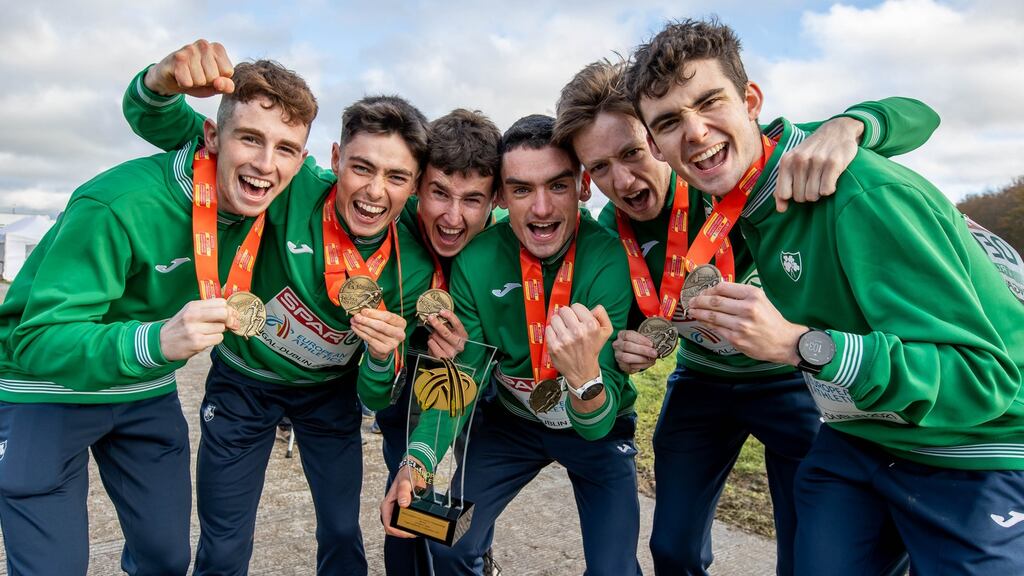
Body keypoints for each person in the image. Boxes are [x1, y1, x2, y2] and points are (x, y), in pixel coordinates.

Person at [626, 18, 1024, 575]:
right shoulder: (746, 193)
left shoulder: (858, 192)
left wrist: (800, 345)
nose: (694, 132)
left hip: (976, 446)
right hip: (859, 438)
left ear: (750, 101)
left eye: (709, 102)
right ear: (657, 144)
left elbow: (984, 378)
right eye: (669, 122)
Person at [553, 59, 939, 575]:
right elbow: (630, 319)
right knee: (672, 547)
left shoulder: (728, 171)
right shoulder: (610, 228)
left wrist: (850, 125)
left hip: (790, 380)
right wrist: (628, 345)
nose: (622, 181)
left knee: (803, 558)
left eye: (631, 153)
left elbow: (922, 115)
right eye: (599, 168)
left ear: (659, 140)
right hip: (701, 383)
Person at [122, 40, 434, 575]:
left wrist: (384, 357)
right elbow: (180, 129)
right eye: (361, 167)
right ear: (335, 159)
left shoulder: (416, 265)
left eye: (397, 177)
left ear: (415, 185)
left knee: (342, 532)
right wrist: (156, 83)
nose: (374, 192)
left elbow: (374, 395)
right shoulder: (291, 184)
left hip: (328, 395)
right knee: (224, 541)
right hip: (243, 383)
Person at [0, 56, 316, 575]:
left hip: (143, 392)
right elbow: (37, 339)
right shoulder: (117, 203)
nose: (265, 163)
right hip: (44, 390)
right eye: (250, 139)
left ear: (300, 160)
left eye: (284, 148)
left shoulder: (275, 193)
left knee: (167, 561)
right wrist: (154, 342)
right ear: (212, 137)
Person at [382, 114, 642, 575]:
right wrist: (418, 459)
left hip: (596, 430)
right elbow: (460, 376)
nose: (540, 208)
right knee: (448, 542)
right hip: (512, 425)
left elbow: (597, 424)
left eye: (557, 186)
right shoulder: (476, 258)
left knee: (614, 570)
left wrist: (585, 380)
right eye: (521, 190)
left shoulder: (609, 258)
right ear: (502, 196)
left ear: (583, 186)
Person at [372, 108, 504, 576]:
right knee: (408, 484)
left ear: (495, 198)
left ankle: (475, 555)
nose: (451, 217)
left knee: (471, 489)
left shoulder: (504, 241)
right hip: (406, 379)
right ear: (417, 185)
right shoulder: (390, 222)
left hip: (476, 374)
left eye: (472, 199)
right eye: (439, 192)